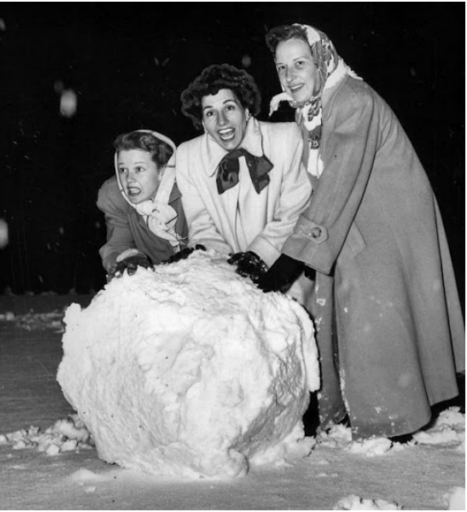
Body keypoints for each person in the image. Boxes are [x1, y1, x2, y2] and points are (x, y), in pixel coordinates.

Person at [263, 24, 464, 440]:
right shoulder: (316, 107)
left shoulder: (351, 99)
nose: (290, 76)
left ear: (321, 60)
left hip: (387, 219)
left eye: (300, 63)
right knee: (353, 311)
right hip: (354, 215)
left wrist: (294, 255)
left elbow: (338, 177)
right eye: (282, 68)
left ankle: (392, 422)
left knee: (377, 313)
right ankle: (357, 409)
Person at [173, 64, 312, 288]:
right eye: (210, 113)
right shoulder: (187, 156)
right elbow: (202, 226)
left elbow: (293, 215)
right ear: (202, 123)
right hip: (225, 277)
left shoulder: (287, 138)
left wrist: (260, 256)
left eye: (229, 108)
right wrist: (218, 264)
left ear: (246, 110)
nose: (221, 121)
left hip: (285, 271)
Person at [96, 130, 188, 281]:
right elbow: (118, 243)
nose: (128, 179)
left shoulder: (189, 190)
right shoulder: (117, 198)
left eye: (139, 169)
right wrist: (127, 258)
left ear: (162, 171)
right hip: (154, 284)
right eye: (123, 170)